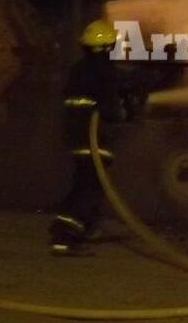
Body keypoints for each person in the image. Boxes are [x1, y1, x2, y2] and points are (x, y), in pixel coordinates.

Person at [49, 19, 126, 256]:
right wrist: (122, 113)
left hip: (76, 137)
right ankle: (64, 238)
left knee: (87, 184)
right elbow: (110, 110)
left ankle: (88, 228)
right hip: (93, 139)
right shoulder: (105, 72)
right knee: (88, 188)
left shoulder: (80, 69)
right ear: (107, 48)